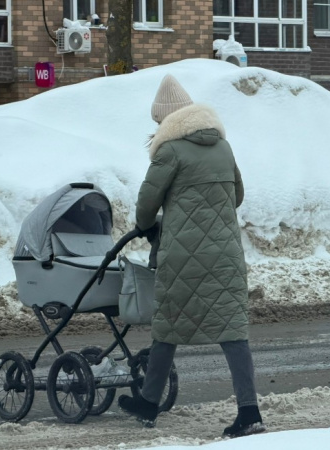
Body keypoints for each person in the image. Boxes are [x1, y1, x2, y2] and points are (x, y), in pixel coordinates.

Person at [118, 74, 266, 438]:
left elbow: (145, 207)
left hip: (183, 255)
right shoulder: (223, 147)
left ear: (167, 119)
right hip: (227, 253)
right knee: (233, 332)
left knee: (167, 325)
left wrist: (156, 223)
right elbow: (238, 196)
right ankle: (249, 411)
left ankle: (150, 402)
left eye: (158, 121)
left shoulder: (169, 151)